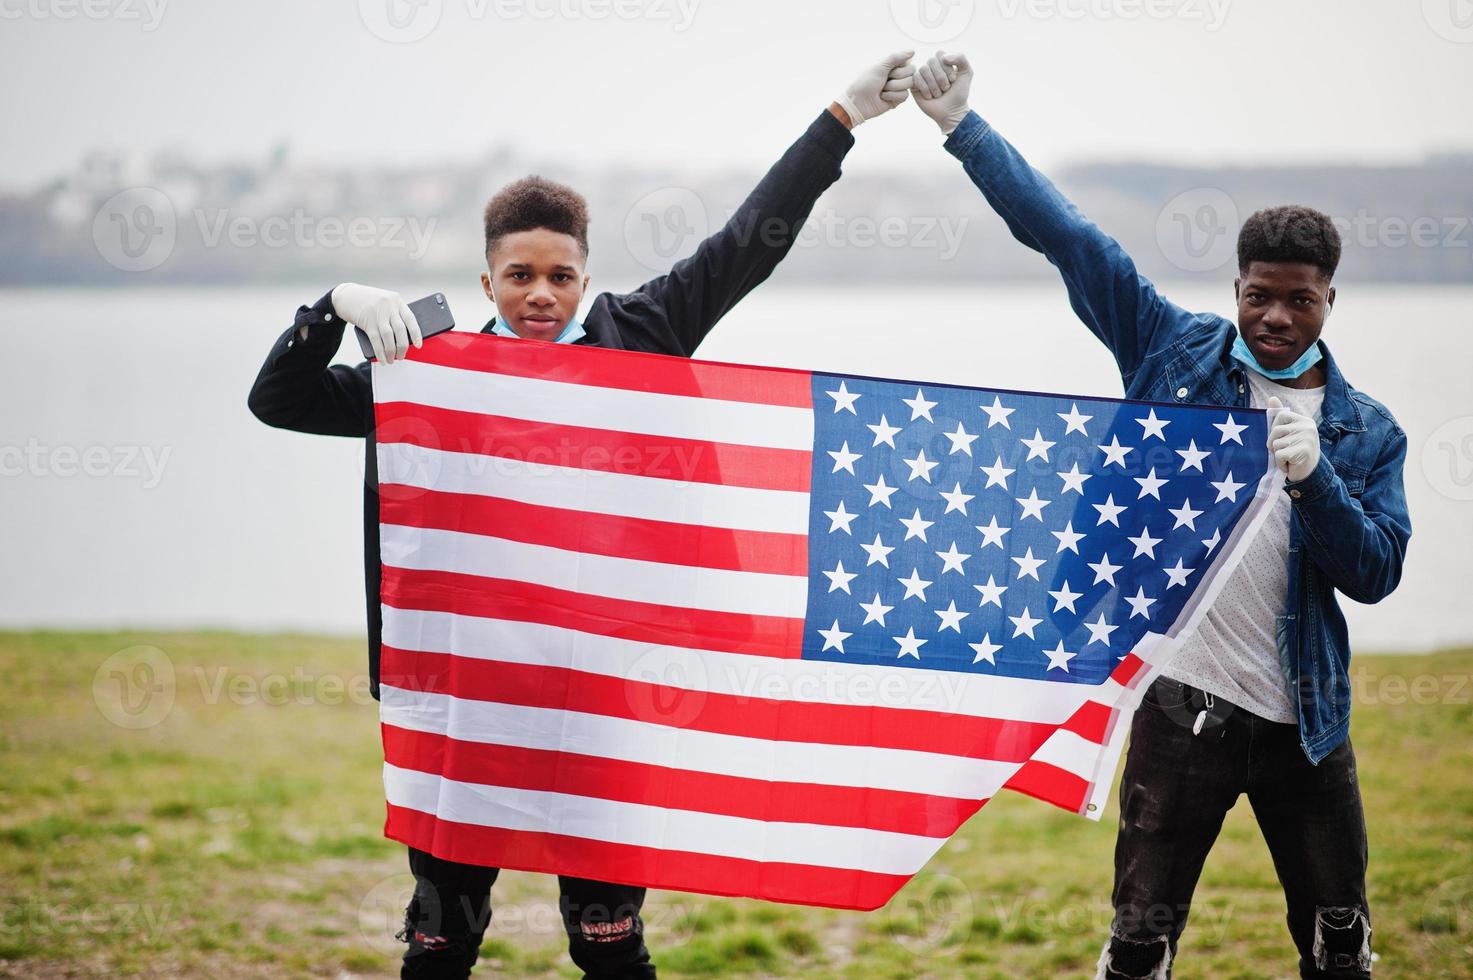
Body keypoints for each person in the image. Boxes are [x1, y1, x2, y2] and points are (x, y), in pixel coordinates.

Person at [246, 53, 915, 980]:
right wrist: (329, 306)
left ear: (584, 277)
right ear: (486, 282)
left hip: (600, 698)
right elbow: (277, 400)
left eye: (560, 276)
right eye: (517, 275)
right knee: (442, 942)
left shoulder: (638, 337)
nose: (539, 295)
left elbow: (745, 247)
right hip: (461, 695)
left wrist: (839, 119)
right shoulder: (424, 370)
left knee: (606, 943)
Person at [909, 52, 1410, 980]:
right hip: (1181, 713)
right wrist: (961, 128)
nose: (1274, 316)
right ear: (1235, 290)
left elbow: (1376, 574)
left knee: (1339, 947)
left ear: (1328, 301)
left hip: (1309, 724)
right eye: (1258, 294)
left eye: (1298, 299)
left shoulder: (1367, 431)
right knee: (1138, 950)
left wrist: (1317, 482)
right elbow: (1070, 239)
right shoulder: (1167, 350)